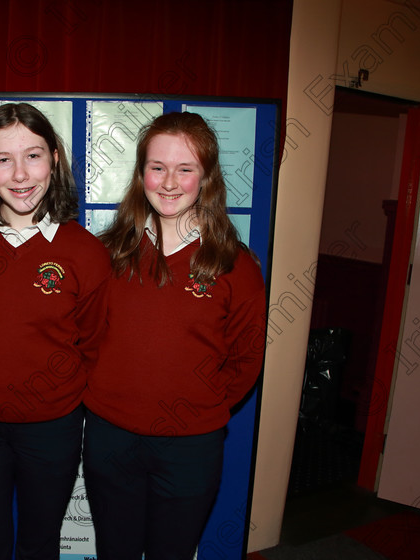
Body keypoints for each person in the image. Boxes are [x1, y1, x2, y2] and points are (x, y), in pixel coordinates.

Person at [83, 112, 267, 559]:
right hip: (111, 440)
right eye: (157, 167)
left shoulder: (233, 264)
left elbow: (246, 358)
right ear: (141, 173)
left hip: (190, 448)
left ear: (205, 177)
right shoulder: (107, 254)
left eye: (185, 169)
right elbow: (82, 339)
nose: (169, 182)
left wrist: (200, 408)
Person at [0, 102, 110, 560]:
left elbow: (94, 343)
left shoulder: (84, 251)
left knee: (40, 544)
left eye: (33, 155)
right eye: (4, 159)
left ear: (55, 159)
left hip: (52, 426)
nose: (20, 175)